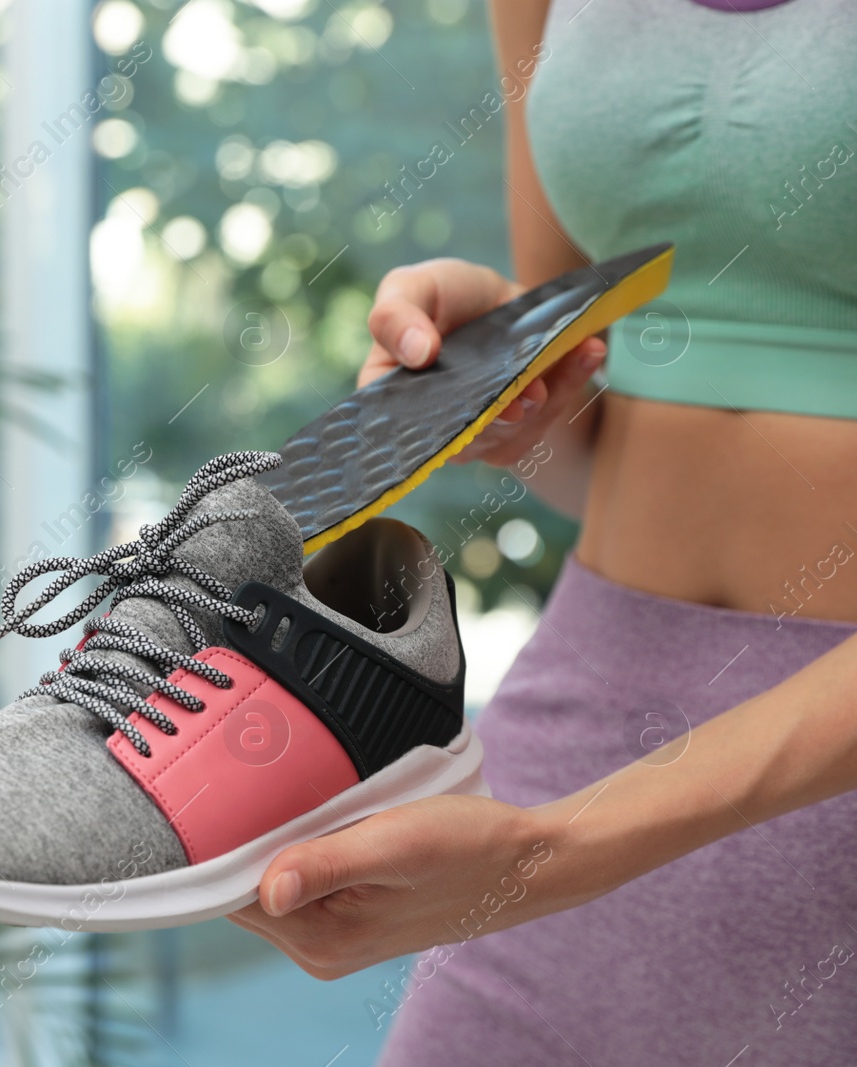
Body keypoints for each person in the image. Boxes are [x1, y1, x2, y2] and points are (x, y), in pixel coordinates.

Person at [226, 1, 857, 1063]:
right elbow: (589, 436)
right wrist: (506, 382)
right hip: (592, 702)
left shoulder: (549, 843)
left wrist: (550, 848)